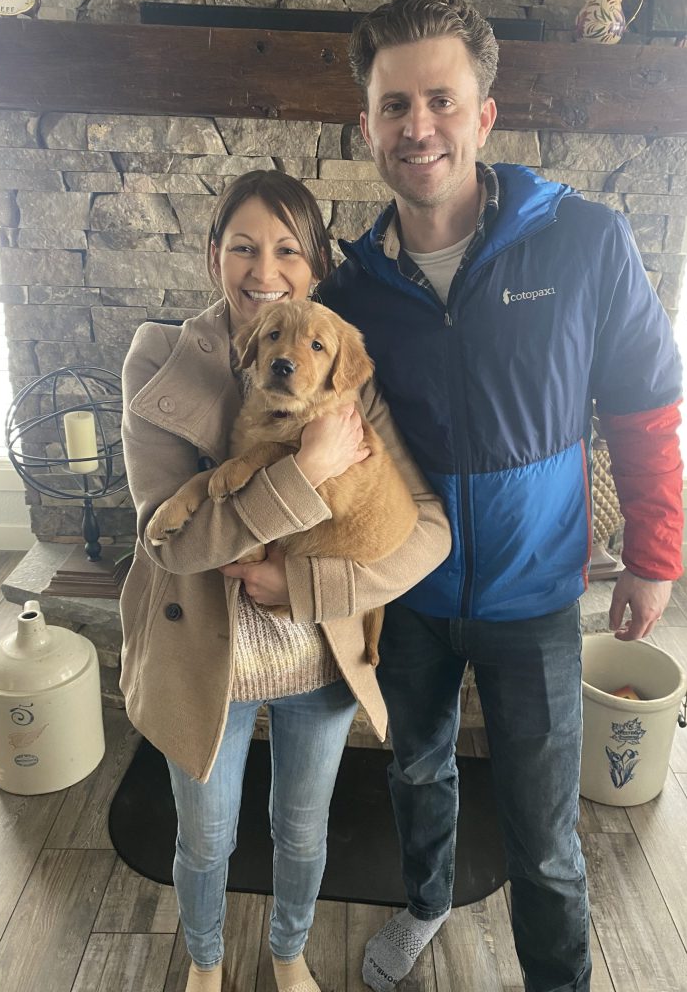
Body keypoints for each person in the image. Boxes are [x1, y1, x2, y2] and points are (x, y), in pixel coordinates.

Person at [317, 0, 684, 992]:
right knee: (415, 770)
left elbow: (645, 405)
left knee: (545, 832)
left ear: (483, 116)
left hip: (535, 601)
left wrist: (653, 555)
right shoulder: (347, 294)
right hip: (409, 595)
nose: (418, 126)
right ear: (367, 126)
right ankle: (426, 901)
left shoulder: (586, 241)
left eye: (440, 101)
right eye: (395, 105)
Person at [119, 169, 451, 992]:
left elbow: (429, 530)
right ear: (213, 256)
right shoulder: (158, 358)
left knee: (302, 833)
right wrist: (304, 471)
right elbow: (175, 545)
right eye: (243, 247)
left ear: (315, 269)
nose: (263, 270)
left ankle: (289, 952)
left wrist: (302, 588)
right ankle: (205, 961)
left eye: (287, 251)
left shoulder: (345, 369)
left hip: (320, 652)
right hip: (206, 659)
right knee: (205, 837)